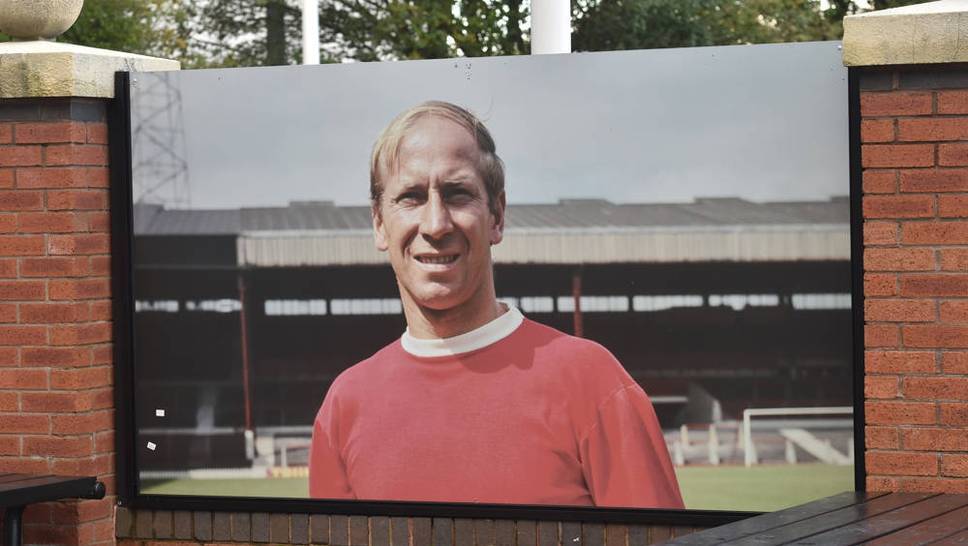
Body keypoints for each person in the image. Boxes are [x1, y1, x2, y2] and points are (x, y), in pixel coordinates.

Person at [308, 100, 683, 509]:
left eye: (457, 194)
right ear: (380, 223)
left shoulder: (592, 381)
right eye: (411, 197)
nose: (435, 225)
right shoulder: (344, 406)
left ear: (497, 216)